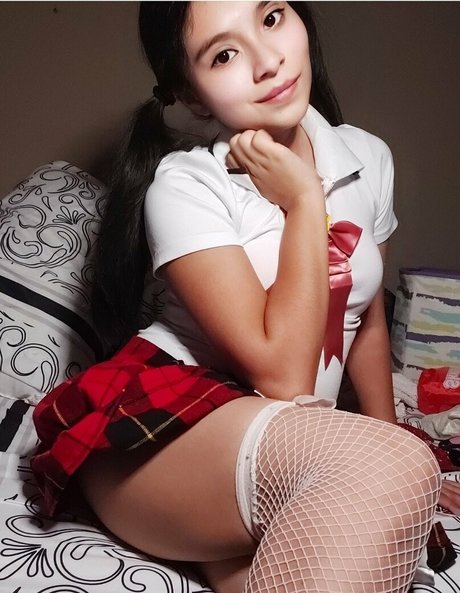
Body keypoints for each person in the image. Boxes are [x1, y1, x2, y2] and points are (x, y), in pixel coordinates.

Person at [31, 2, 450, 592]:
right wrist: (304, 202)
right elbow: (283, 378)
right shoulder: (186, 184)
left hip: (280, 446)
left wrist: (396, 437)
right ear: (191, 93)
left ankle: (219, 553)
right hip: (165, 428)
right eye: (224, 54)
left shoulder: (369, 157)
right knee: (388, 470)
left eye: (272, 18)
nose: (267, 60)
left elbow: (365, 316)